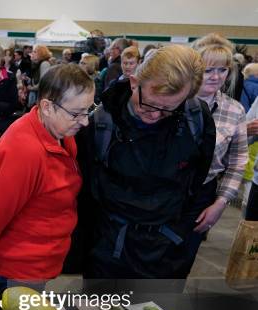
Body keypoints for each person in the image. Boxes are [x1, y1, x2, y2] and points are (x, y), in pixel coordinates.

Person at [77, 44, 216, 279]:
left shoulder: (196, 118)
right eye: (148, 104)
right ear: (134, 82)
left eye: (168, 109)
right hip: (108, 251)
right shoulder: (100, 123)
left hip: (169, 252)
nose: (154, 115)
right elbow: (85, 195)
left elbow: (201, 180)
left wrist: (182, 237)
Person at [0, 64, 94, 293]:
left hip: (40, 260)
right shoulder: (25, 151)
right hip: (21, 268)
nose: (85, 122)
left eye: (89, 110)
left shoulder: (59, 133)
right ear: (47, 107)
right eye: (76, 113)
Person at [192, 40, 248, 234]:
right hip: (162, 192)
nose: (216, 77)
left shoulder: (235, 110)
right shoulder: (173, 102)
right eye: (208, 70)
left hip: (203, 194)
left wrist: (220, 203)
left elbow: (238, 162)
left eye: (223, 70)